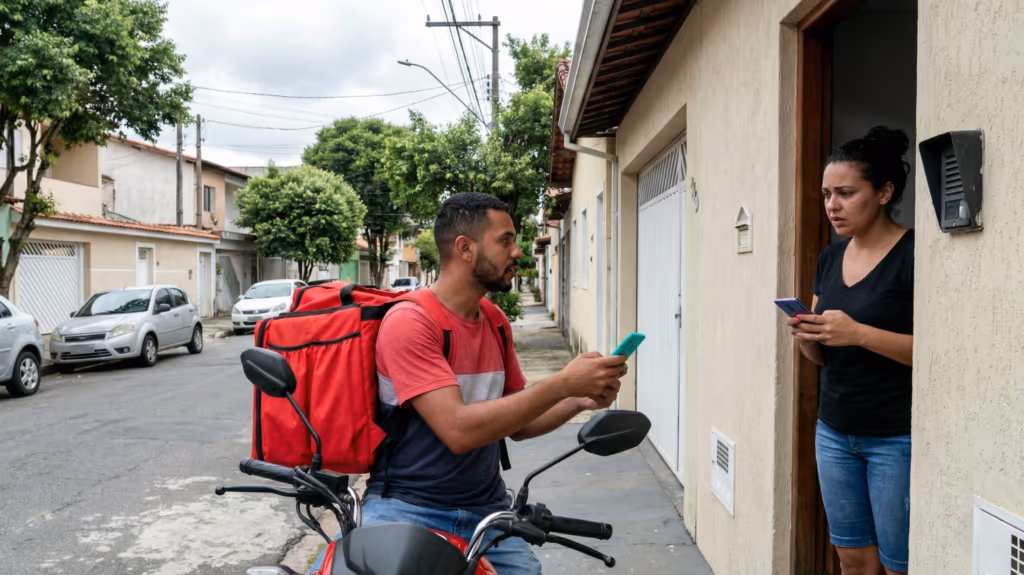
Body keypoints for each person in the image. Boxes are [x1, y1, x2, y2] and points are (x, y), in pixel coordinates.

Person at [308, 192, 628, 574]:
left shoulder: (493, 321)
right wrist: (562, 384)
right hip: (407, 509)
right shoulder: (411, 323)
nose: (518, 252)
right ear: (465, 248)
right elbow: (458, 431)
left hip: (487, 510)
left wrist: (578, 399)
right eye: (505, 241)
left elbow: (518, 423)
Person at [787, 127, 914, 575]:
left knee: (899, 565)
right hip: (834, 431)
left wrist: (857, 333)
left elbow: (937, 355)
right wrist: (809, 338)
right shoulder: (829, 258)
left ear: (884, 193)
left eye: (845, 193)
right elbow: (823, 354)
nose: (832, 206)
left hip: (896, 437)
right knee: (852, 559)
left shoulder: (914, 255)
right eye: (827, 195)